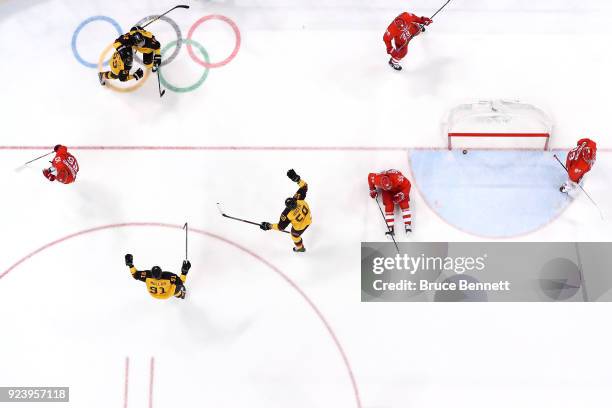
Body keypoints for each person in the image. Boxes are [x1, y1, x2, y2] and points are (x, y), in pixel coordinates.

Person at [260, 169, 312, 252]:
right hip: (308, 220)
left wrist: (269, 226)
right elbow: (304, 186)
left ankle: (300, 248)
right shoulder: (299, 200)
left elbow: (280, 227)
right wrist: (297, 179)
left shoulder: (286, 214)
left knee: (294, 236)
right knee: (297, 230)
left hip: (299, 228)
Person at [125, 254, 190, 300]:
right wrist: (184, 272)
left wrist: (130, 265)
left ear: (151, 273)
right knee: (176, 289)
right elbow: (181, 282)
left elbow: (135, 275)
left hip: (154, 295)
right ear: (161, 272)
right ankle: (181, 295)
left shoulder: (147, 276)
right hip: (167, 294)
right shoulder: (168, 276)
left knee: (177, 285)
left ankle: (179, 294)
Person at [368, 169, 412, 235]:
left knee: (404, 203)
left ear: (391, 182)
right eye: (387, 187)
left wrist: (402, 194)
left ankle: (408, 226)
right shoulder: (377, 179)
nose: (389, 188)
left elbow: (408, 185)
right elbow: (370, 176)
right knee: (388, 205)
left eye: (389, 186)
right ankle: (390, 228)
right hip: (386, 191)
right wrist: (372, 189)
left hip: (399, 188)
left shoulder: (398, 178)